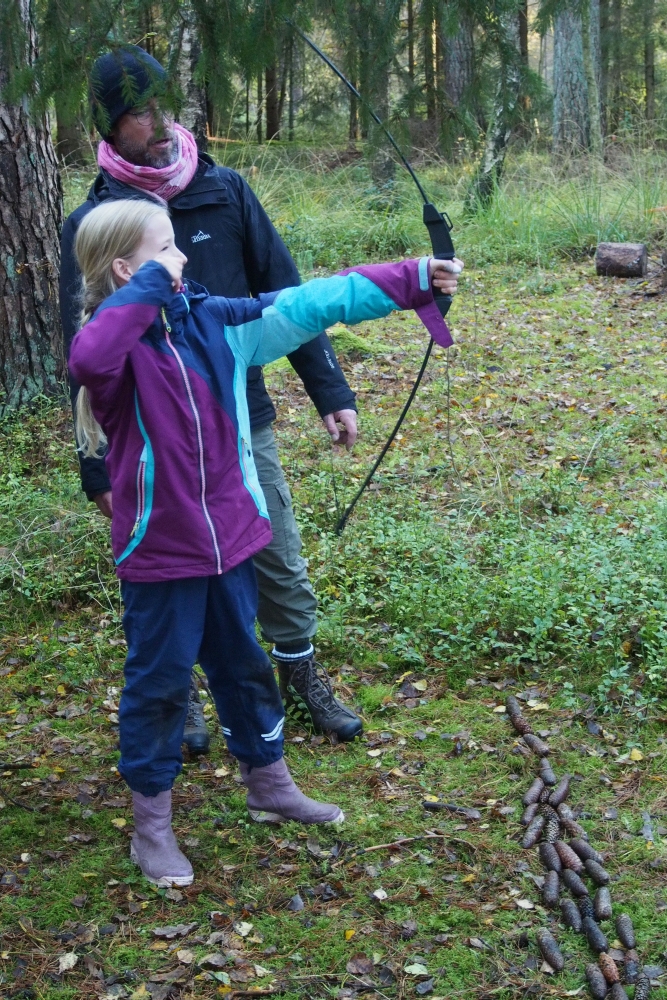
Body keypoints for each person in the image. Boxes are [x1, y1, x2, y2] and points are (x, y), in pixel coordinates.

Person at [68, 198, 462, 886]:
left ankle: (269, 784)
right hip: (160, 555)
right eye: (168, 250)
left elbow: (308, 303)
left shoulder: (217, 325)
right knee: (159, 686)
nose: (183, 258)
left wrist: (412, 277)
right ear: (130, 270)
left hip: (231, 541)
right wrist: (152, 286)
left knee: (243, 666)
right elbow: (90, 352)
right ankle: (151, 829)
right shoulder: (118, 352)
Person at [60, 45, 364, 752]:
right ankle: (183, 697)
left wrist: (329, 390)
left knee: (277, 557)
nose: (155, 123)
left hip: (238, 423)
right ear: (109, 126)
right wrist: (94, 465)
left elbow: (286, 296)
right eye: (138, 113)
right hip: (147, 440)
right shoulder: (97, 219)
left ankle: (301, 673)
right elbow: (79, 345)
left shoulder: (221, 191)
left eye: (159, 106)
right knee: (172, 571)